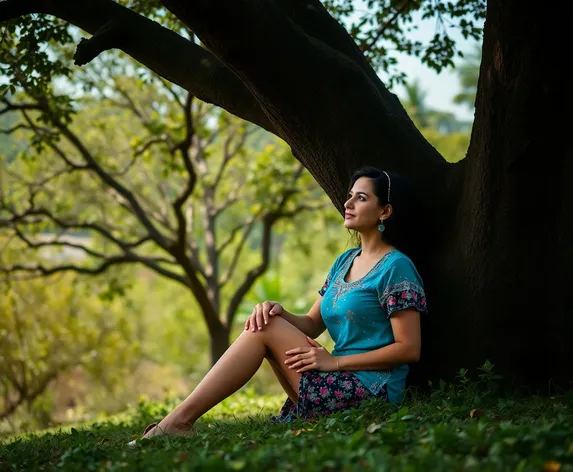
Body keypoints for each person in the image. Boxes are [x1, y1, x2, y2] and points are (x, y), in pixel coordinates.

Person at [128, 166, 427, 445]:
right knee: (265, 321)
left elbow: (408, 349)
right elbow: (311, 323)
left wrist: (334, 362)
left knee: (266, 328)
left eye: (361, 198)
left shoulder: (396, 267)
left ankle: (176, 423)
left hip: (371, 389)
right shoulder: (345, 261)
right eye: (349, 195)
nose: (348, 203)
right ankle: (177, 422)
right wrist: (278, 311)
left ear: (385, 211)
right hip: (335, 379)